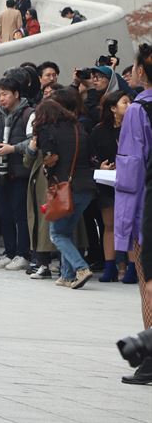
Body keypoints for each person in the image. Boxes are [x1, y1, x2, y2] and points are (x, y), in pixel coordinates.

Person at [114, 43, 152, 384]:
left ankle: (151, 357)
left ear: (141, 71)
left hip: (149, 211)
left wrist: (125, 229)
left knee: (149, 284)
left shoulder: (139, 111)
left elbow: (131, 172)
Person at [35, 98, 95, 289]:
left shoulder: (46, 129)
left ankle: (81, 268)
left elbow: (50, 157)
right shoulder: (78, 128)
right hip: (87, 187)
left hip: (65, 188)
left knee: (57, 234)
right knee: (66, 231)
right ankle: (67, 275)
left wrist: (46, 165)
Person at [0, 77, 34, 271]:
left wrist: (12, 148)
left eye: (5, 94)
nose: (1, 98)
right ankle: (9, 251)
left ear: (16, 94)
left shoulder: (29, 114)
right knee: (4, 214)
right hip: (0, 172)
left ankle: (23, 253)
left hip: (20, 172)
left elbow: (33, 141)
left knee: (20, 214)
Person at [90, 90, 132, 282]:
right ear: (113, 108)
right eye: (125, 102)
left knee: (129, 225)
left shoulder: (136, 126)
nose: (130, 105)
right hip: (107, 182)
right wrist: (100, 165)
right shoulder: (99, 130)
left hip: (131, 181)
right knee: (109, 225)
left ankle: (131, 267)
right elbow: (92, 155)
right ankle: (110, 266)